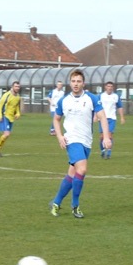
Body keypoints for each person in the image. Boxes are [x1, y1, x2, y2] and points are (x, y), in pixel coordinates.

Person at [49, 69, 111, 219]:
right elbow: (56, 119)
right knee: (82, 170)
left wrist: (106, 137)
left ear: (83, 83)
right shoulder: (64, 100)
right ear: (70, 83)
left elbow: (102, 117)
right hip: (72, 140)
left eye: (78, 81)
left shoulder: (92, 98)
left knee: (72, 174)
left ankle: (56, 202)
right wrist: (59, 136)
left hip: (86, 142)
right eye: (73, 81)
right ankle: (75, 206)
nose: (76, 84)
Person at [0, 81, 21, 157]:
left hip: (11, 118)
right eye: (16, 86)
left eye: (18, 87)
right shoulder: (6, 95)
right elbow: (0, 105)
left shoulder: (18, 97)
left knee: (6, 135)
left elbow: (16, 106)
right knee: (6, 134)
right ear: (12, 87)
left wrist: (18, 113)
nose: (17, 88)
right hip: (5, 116)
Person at [97, 81, 125, 159]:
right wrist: (95, 116)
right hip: (102, 118)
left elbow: (120, 107)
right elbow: (97, 106)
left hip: (112, 118)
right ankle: (102, 151)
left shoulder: (116, 96)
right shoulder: (101, 96)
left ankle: (109, 152)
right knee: (102, 136)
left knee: (109, 135)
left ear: (113, 88)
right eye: (108, 86)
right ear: (105, 87)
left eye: (111, 86)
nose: (110, 88)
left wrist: (122, 117)